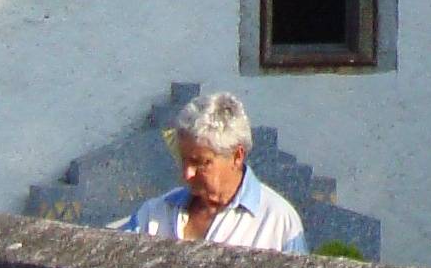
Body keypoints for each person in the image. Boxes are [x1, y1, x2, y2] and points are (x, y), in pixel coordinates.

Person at [112, 90, 307, 254]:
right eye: (184, 160)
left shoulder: (278, 222)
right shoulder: (154, 214)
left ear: (237, 156)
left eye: (200, 163)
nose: (187, 174)